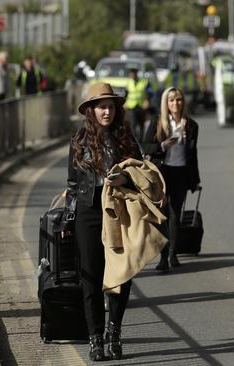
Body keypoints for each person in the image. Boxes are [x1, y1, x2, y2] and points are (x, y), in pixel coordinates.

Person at [67, 82, 165, 361]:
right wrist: (70, 217)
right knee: (91, 277)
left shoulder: (125, 137)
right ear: (91, 110)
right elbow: (72, 183)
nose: (106, 112)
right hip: (89, 210)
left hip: (120, 209)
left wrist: (124, 179)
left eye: (110, 106)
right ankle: (95, 338)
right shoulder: (79, 140)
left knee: (122, 273)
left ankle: (114, 332)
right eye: (101, 107)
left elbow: (141, 173)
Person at [141, 87, 201, 270]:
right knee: (162, 215)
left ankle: (173, 255)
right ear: (166, 103)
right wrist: (162, 146)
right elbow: (144, 146)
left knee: (175, 215)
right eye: (172, 100)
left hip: (181, 173)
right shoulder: (158, 122)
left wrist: (195, 179)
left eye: (179, 100)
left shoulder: (191, 126)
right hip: (162, 173)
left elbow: (193, 155)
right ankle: (163, 257)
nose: (176, 103)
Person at [124, 68, 151, 141]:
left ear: (136, 74)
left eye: (133, 74)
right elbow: (126, 94)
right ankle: (134, 140)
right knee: (133, 124)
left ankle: (141, 140)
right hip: (131, 107)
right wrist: (125, 103)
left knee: (141, 124)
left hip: (141, 106)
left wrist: (147, 101)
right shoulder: (128, 82)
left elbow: (150, 93)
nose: (131, 76)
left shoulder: (144, 82)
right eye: (130, 74)